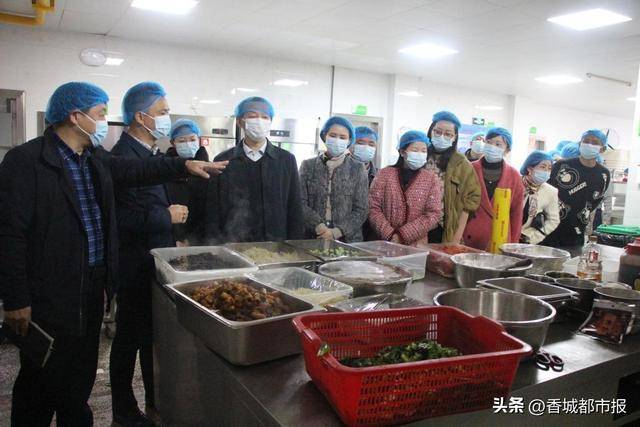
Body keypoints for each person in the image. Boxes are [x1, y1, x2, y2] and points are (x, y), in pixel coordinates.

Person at [0, 82, 224, 427]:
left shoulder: (92, 158)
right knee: (39, 381)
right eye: (100, 114)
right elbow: (10, 233)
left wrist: (183, 166)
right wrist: (16, 298)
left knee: (79, 378)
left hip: (91, 287)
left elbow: (133, 170)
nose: (105, 121)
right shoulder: (26, 161)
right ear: (76, 117)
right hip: (49, 292)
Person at [109, 81, 183, 427]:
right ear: (141, 117)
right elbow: (119, 218)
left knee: (147, 339)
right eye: (162, 112)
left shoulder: (150, 154)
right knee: (128, 340)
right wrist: (165, 217)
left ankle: (154, 403)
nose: (167, 118)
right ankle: (124, 411)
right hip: (134, 265)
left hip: (154, 261)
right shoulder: (123, 157)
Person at [204, 96, 304, 242]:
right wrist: (214, 246)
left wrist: (295, 245)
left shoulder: (286, 160)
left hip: (276, 245)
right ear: (240, 121)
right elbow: (213, 210)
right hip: (234, 243)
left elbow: (295, 208)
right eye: (252, 116)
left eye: (265, 117)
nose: (259, 121)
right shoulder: (224, 160)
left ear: (270, 122)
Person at [299, 116, 369, 242]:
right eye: (333, 135)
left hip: (348, 240)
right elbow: (300, 202)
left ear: (349, 141)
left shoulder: (358, 168)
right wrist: (319, 227)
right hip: (314, 236)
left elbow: (361, 209)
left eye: (342, 137)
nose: (337, 140)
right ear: (324, 136)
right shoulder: (308, 166)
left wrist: (337, 232)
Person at [368, 130, 442, 247]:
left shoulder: (431, 179)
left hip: (416, 246)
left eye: (424, 151)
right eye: (415, 150)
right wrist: (389, 234)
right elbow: (372, 207)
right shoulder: (384, 174)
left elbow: (434, 213)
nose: (420, 154)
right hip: (384, 242)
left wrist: (402, 235)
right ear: (402, 152)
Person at [542, 129, 611, 247]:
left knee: (572, 258)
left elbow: (595, 201)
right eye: (586, 141)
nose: (589, 145)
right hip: (550, 228)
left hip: (576, 232)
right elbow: (545, 192)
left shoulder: (603, 174)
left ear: (603, 149)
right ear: (580, 144)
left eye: (595, 142)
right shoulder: (562, 166)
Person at [424, 111, 481, 243]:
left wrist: (455, 238)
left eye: (448, 134)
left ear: (455, 137)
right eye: (438, 132)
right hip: (417, 227)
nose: (442, 136)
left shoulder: (462, 164)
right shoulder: (421, 155)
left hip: (445, 228)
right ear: (431, 132)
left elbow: (470, 201)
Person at [464, 127, 524, 250]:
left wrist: (513, 245)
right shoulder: (469, 169)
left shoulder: (514, 176)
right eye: (489, 142)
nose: (492, 147)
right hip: (468, 237)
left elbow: (516, 213)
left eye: (498, 144)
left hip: (499, 238)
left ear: (507, 150)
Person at [165, 118, 209, 245]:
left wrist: (193, 240)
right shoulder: (165, 170)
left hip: (201, 239)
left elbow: (210, 211)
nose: (188, 144)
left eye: (192, 139)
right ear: (173, 143)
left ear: (199, 140)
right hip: (171, 238)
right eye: (182, 141)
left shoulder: (208, 171)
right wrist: (175, 239)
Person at [519, 151, 560, 244]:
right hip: (504, 232)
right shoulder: (515, 182)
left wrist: (534, 238)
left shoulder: (551, 191)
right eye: (542, 167)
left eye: (549, 169)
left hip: (526, 238)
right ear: (530, 168)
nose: (546, 171)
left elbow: (553, 220)